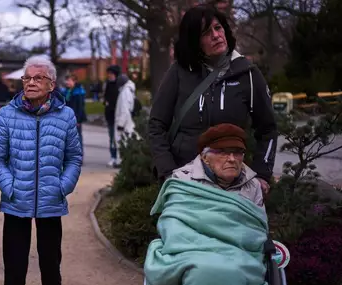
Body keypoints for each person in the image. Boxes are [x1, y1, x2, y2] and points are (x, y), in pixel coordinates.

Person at [145, 124, 270, 285]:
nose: (232, 159)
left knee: (231, 273)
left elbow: (256, 232)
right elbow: (173, 226)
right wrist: (200, 247)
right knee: (201, 271)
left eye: (238, 153)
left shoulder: (253, 187)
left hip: (239, 257)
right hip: (193, 253)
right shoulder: (181, 180)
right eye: (223, 152)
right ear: (204, 155)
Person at [0, 55, 83, 285]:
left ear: (51, 84)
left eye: (37, 78)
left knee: (51, 260)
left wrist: (62, 187)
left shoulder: (65, 116)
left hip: (51, 201)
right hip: (17, 200)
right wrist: (11, 187)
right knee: (14, 259)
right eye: (26, 78)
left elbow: (74, 157)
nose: (29, 82)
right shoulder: (7, 114)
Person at [148, 4, 277, 193]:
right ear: (194, 41)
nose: (216, 36)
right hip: (185, 180)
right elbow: (156, 125)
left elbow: (268, 129)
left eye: (218, 28)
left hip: (233, 181)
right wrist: (168, 173)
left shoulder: (247, 74)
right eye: (206, 33)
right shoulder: (178, 73)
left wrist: (262, 174)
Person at [62, 74, 87, 150]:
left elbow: (80, 107)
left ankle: (79, 156)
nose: (67, 82)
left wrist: (78, 120)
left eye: (69, 80)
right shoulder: (67, 91)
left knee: (77, 137)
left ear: (74, 81)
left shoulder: (78, 92)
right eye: (67, 80)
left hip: (76, 118)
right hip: (67, 118)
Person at [115, 73, 137, 157]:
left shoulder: (125, 92)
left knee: (123, 143)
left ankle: (122, 161)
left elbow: (124, 110)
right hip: (127, 121)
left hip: (124, 123)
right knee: (126, 142)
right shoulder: (129, 91)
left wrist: (120, 124)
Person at [104, 65, 121, 167]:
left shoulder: (118, 86)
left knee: (117, 138)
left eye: (110, 74)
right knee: (111, 138)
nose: (109, 76)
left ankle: (118, 157)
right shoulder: (108, 84)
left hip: (117, 115)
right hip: (110, 115)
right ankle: (113, 156)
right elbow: (106, 97)